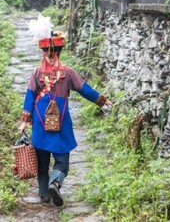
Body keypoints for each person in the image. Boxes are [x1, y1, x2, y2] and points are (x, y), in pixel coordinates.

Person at [18, 15, 112, 207]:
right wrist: (102, 101)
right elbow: (85, 90)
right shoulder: (68, 73)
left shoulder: (36, 73)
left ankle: (44, 194)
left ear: (43, 51)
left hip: (40, 121)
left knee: (42, 162)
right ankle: (56, 182)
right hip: (60, 121)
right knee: (61, 161)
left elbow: (29, 96)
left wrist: (23, 121)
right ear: (59, 51)